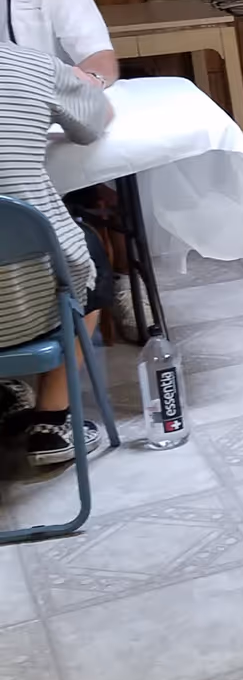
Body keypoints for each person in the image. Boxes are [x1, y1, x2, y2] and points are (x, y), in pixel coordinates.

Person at [0, 43, 113, 466]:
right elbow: (94, 120)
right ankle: (51, 421)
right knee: (86, 256)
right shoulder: (28, 65)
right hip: (28, 305)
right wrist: (88, 86)